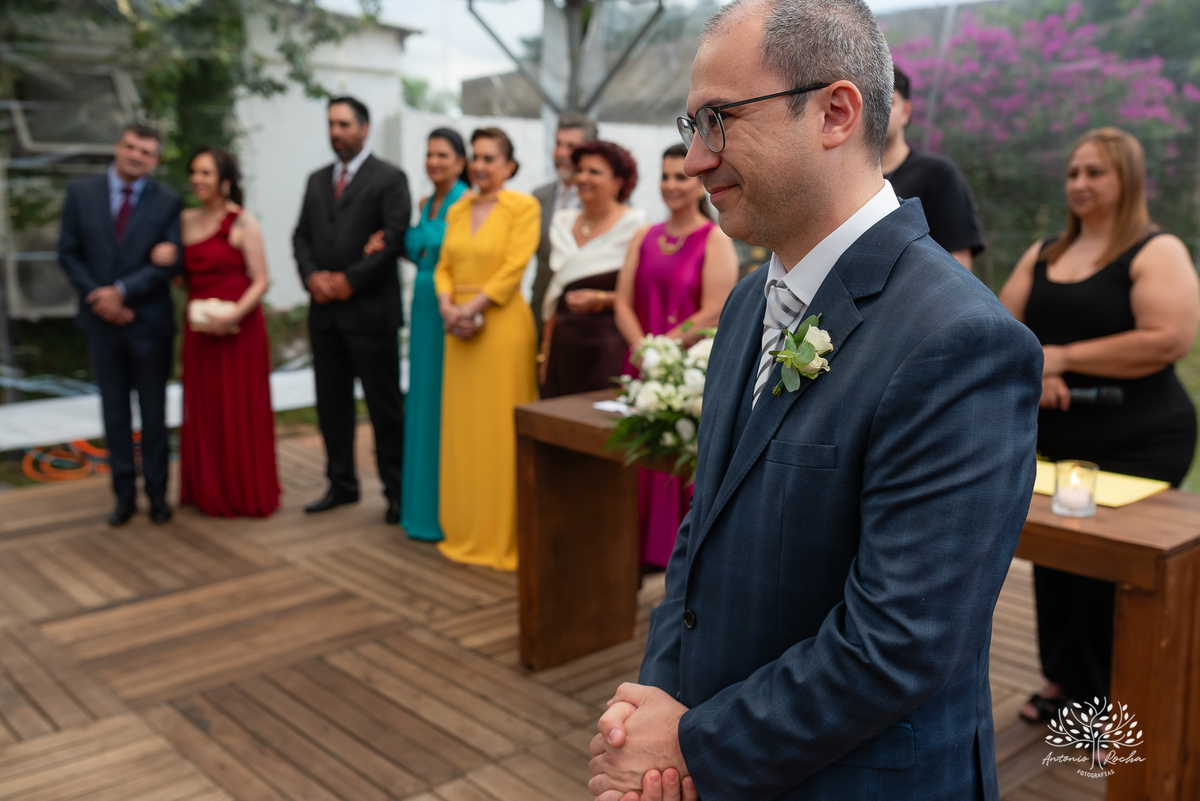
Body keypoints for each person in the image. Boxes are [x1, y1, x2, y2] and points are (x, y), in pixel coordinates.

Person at [586, 2, 1042, 800]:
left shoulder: (960, 339)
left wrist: (694, 743)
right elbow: (704, 527)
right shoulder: (747, 301)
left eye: (719, 120)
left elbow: (897, 643)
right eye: (691, 124)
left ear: (835, 112)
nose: (694, 160)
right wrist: (654, 718)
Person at [999, 127, 1199, 727]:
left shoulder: (1155, 250)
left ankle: (1111, 705)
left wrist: (1061, 357)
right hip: (1056, 437)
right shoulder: (1044, 253)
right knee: (1058, 563)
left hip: (1138, 439)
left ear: (1127, 179)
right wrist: (1034, 370)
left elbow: (1167, 339)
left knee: (1109, 579)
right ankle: (1063, 681)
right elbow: (1000, 330)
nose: (1079, 183)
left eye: (1095, 172)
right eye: (1073, 173)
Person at [613, 143, 738, 568]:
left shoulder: (715, 238)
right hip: (643, 364)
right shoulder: (644, 236)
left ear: (698, 179)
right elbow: (622, 301)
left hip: (683, 371)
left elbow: (714, 308)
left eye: (679, 176)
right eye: (664, 176)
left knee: (671, 457)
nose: (670, 185)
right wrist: (642, 349)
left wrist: (663, 348)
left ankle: (672, 559)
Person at [57, 123, 182, 526]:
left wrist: (124, 291)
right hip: (101, 323)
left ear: (155, 160)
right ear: (118, 146)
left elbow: (169, 262)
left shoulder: (168, 201)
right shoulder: (80, 193)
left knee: (153, 413)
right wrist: (102, 298)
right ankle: (124, 495)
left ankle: (159, 495)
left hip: (149, 324)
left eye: (145, 152)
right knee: (114, 414)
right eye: (131, 147)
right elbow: (68, 253)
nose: (136, 156)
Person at [293, 96, 411, 525]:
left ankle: (396, 493)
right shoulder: (316, 180)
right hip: (324, 314)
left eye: (343, 124)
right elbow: (301, 236)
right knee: (331, 405)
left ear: (365, 128)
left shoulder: (390, 179)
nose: (335, 132)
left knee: (384, 409)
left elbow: (394, 239)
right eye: (330, 124)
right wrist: (312, 277)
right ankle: (341, 484)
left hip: (370, 315)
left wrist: (348, 280)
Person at [149, 148, 280, 517]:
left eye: (205, 173)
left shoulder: (243, 222)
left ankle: (243, 490)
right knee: (205, 408)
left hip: (239, 329)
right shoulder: (184, 221)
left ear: (225, 181)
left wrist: (233, 315)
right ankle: (209, 489)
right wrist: (164, 263)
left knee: (239, 408)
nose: (197, 180)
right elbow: (183, 277)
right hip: (200, 331)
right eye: (194, 172)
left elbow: (262, 280)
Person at [434, 128, 539, 571]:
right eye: (475, 157)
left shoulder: (523, 207)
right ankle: (463, 527)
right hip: (458, 332)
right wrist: (446, 306)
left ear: (509, 166)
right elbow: (443, 266)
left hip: (501, 330)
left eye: (489, 158)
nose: (479, 165)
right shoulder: (457, 209)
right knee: (463, 431)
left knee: (499, 430)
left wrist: (470, 308)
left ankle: (502, 534)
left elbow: (514, 266)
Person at [393, 128, 469, 542]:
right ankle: (419, 507)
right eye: (429, 154)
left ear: (460, 161)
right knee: (421, 398)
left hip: (448, 307)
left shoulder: (465, 202)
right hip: (421, 309)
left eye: (442, 154)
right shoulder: (425, 203)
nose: (433, 161)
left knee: (446, 402)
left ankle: (447, 508)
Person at [541, 141, 646, 397]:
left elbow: (642, 294)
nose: (583, 178)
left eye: (594, 172)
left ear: (618, 182)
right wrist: (544, 351)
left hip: (607, 347)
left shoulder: (635, 226)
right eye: (580, 170)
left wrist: (600, 299)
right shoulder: (563, 223)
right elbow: (554, 294)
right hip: (563, 346)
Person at [882, 65, 985, 271]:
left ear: (906, 111)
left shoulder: (938, 174)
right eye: (871, 102)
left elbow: (958, 268)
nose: (879, 111)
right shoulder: (842, 179)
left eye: (888, 102)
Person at [532, 112, 599, 344]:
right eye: (558, 143)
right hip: (540, 316)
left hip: (587, 321)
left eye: (570, 146)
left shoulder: (608, 202)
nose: (561, 153)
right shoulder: (537, 198)